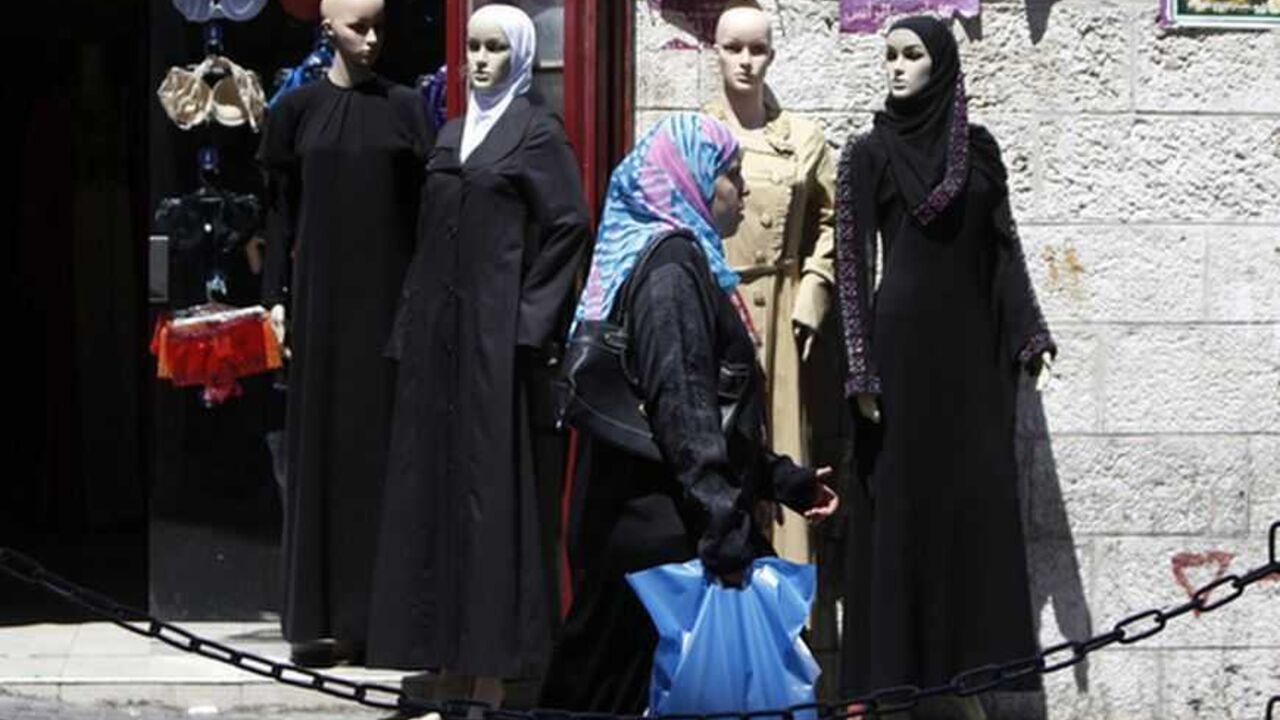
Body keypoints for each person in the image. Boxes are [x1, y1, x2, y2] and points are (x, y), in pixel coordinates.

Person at [539, 113, 840, 714]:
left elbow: (709, 412)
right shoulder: (672, 269)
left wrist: (785, 481)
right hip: (656, 548)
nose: (744, 189)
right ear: (695, 181)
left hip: (654, 526)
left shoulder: (685, 261)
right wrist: (726, 533)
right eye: (731, 173)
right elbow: (683, 412)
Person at [365, 4, 590, 707]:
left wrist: (526, 320)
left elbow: (568, 227)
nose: (483, 61)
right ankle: (443, 661)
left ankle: (492, 674)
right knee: (432, 492)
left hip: (497, 345)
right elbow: (428, 236)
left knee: (492, 498)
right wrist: (410, 323)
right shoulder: (453, 134)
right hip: (440, 341)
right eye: (473, 48)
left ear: (519, 56)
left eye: (496, 48)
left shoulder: (536, 133)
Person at [835, 16, 1055, 719]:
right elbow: (849, 268)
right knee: (903, 515)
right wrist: (861, 368)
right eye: (890, 56)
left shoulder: (980, 151)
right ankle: (899, 687)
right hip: (900, 362)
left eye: (912, 56)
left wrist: (1029, 331)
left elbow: (1003, 249)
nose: (897, 68)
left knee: (967, 513)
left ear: (944, 65)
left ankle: (965, 683)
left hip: (969, 361)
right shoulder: (867, 153)